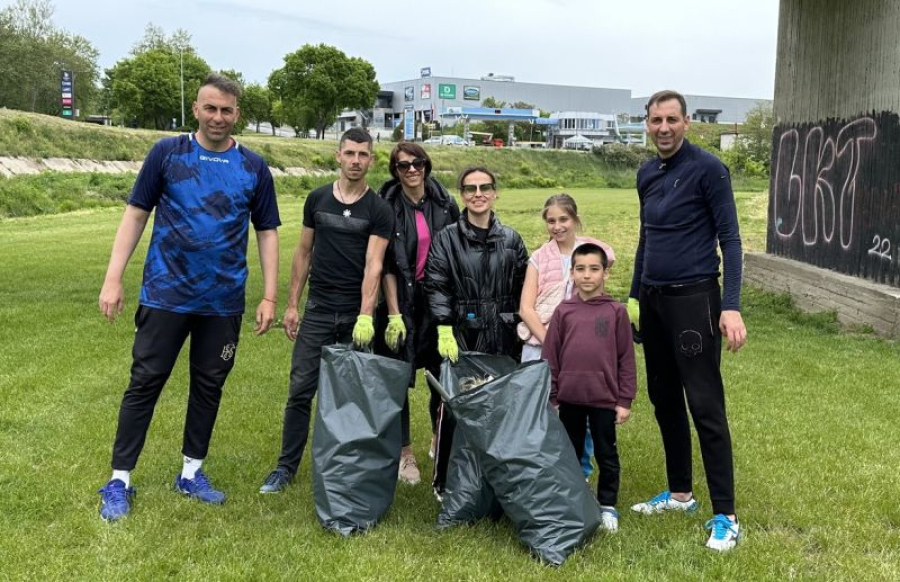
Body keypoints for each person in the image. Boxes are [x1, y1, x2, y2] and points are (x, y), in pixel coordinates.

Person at [96, 73, 281, 521]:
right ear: (196, 109)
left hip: (222, 301)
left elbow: (267, 232)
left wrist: (269, 296)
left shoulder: (253, 167)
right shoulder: (167, 153)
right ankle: (119, 480)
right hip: (166, 294)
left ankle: (191, 472)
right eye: (210, 108)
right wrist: (113, 278)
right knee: (145, 382)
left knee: (209, 385)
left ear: (237, 114)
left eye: (226, 110)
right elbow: (136, 214)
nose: (218, 117)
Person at [627, 90, 747, 551]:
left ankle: (726, 515)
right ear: (647, 123)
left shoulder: (709, 169)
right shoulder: (646, 173)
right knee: (663, 398)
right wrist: (634, 297)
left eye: (671, 120)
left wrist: (730, 305)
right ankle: (680, 494)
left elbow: (730, 239)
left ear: (687, 122)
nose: (663, 128)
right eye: (656, 120)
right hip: (653, 299)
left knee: (704, 403)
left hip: (694, 299)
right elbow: (647, 237)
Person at [259, 127, 393, 494]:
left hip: (354, 316)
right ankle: (285, 468)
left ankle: (347, 471)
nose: (355, 161)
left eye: (362, 155)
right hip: (318, 311)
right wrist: (292, 305)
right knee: (300, 391)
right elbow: (303, 253)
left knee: (352, 397)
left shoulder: (379, 209)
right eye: (349, 153)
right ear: (338, 156)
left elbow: (374, 265)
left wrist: (366, 314)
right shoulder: (317, 199)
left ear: (371, 160)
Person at [424, 166, 529, 494]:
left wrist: (520, 325)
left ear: (495, 193)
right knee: (455, 408)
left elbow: (525, 288)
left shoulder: (511, 239)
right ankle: (445, 482)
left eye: (485, 187)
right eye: (470, 188)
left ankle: (495, 483)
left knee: (500, 410)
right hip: (462, 336)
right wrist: (444, 328)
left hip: (503, 338)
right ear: (462, 195)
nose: (478, 194)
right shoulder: (446, 239)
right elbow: (436, 285)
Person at [374, 142, 460, 485]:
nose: (412, 170)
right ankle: (405, 452)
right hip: (399, 301)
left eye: (417, 163)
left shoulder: (445, 203)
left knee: (441, 377)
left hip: (437, 303)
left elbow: (456, 252)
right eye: (403, 165)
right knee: (397, 380)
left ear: (427, 165)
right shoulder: (385, 206)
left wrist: (450, 311)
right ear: (395, 171)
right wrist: (393, 313)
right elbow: (384, 264)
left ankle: (439, 439)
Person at [517, 194, 616, 480]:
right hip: (541, 345)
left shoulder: (592, 254)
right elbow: (526, 308)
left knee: (582, 412)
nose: (557, 226)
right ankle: (541, 474)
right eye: (551, 221)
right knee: (540, 411)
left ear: (575, 219)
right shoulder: (539, 258)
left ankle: (579, 475)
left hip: (581, 349)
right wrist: (552, 343)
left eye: (564, 219)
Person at [542, 243, 636, 533]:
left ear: (605, 273)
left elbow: (626, 359)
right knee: (569, 453)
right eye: (580, 269)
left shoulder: (616, 312)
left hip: (604, 400)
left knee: (606, 454)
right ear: (571, 273)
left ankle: (607, 505)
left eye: (594, 269)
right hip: (569, 399)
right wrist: (552, 396)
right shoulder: (564, 311)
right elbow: (550, 357)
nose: (587, 275)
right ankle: (573, 501)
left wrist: (624, 400)